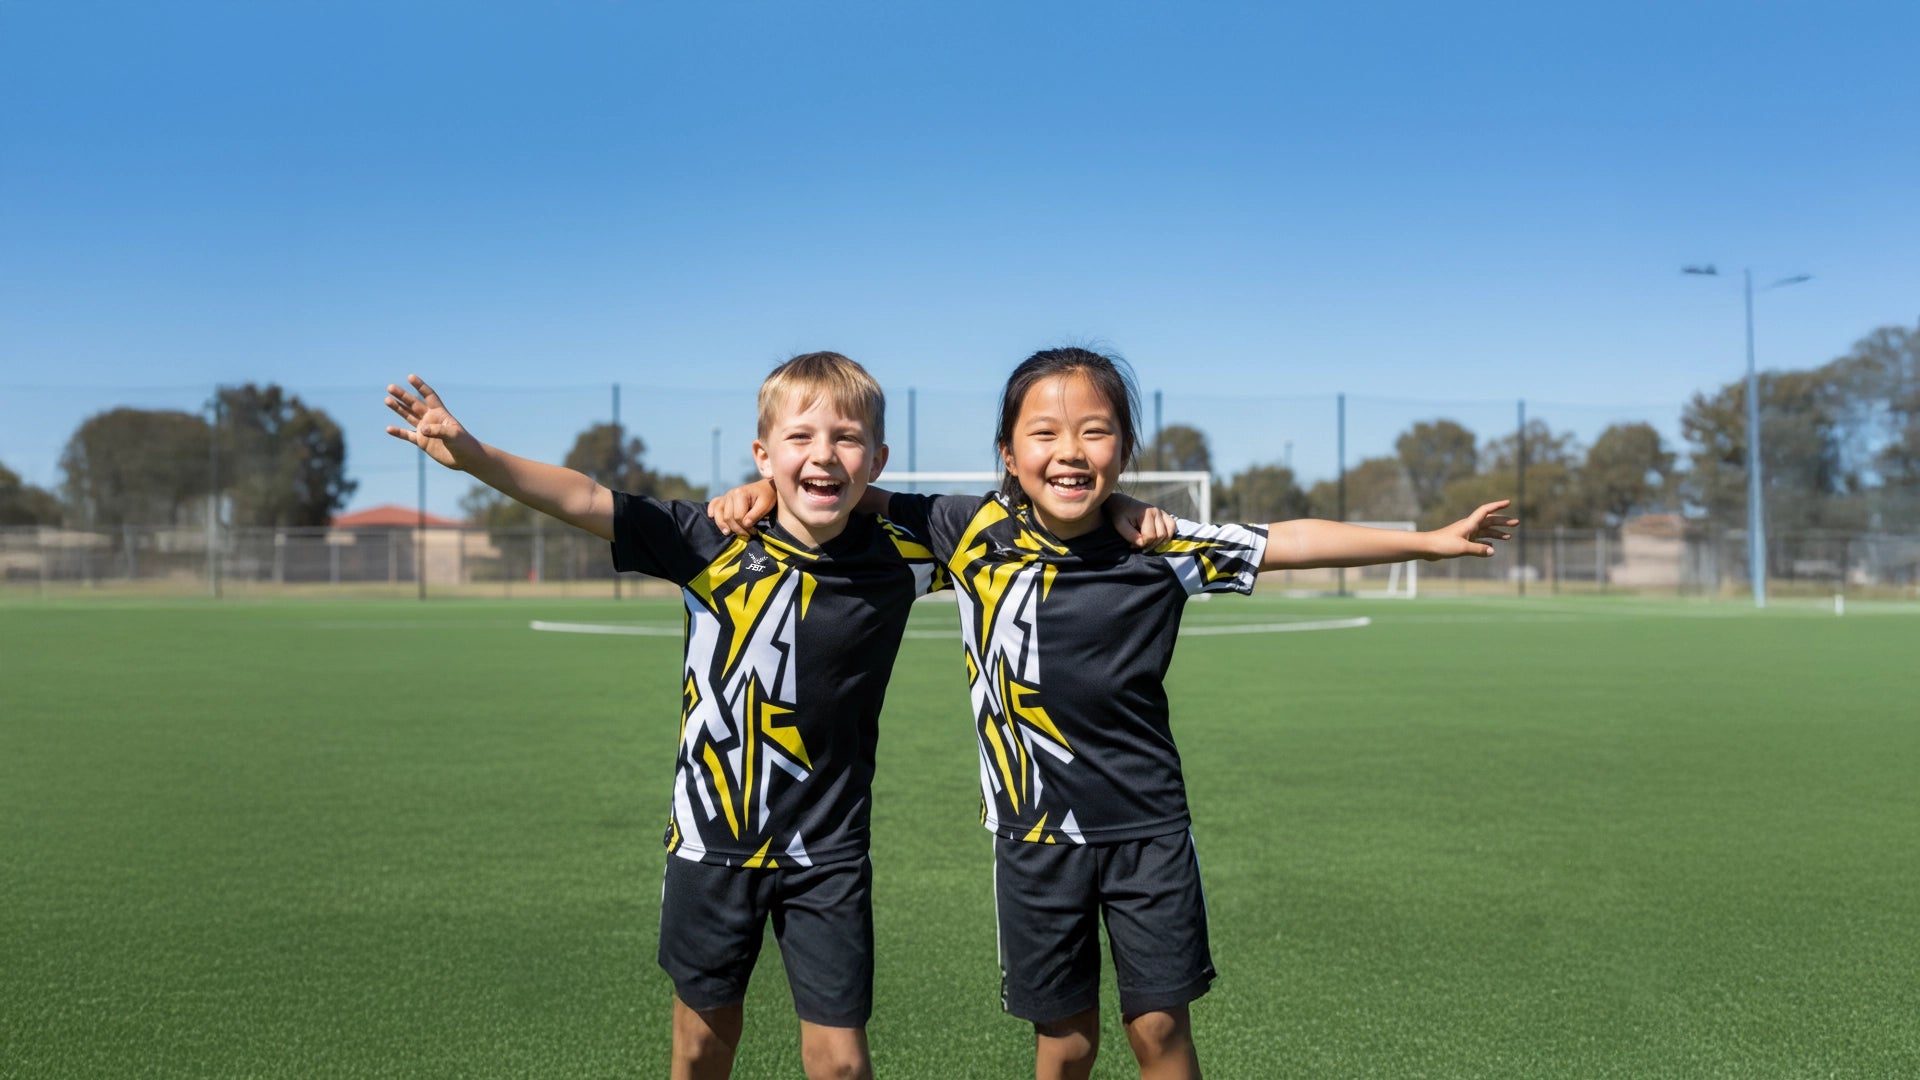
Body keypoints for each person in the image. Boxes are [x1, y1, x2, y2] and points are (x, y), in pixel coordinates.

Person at [709, 346, 1516, 1080]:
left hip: (1149, 831)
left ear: (1123, 452)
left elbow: (1285, 541)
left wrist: (1432, 541)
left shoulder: (1154, 548)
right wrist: (758, 486)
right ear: (1008, 454)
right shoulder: (970, 530)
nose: (1069, 451)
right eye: (1045, 433)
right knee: (1066, 1043)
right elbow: (848, 491)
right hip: (1035, 842)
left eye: (1095, 433)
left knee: (1160, 1028)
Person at [383, 354, 944, 1080]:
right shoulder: (707, 540)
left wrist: (1123, 513)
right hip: (712, 845)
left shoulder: (906, 556)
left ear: (878, 458)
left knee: (840, 1064)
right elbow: (587, 499)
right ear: (762, 453)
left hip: (828, 852)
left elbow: (1018, 531)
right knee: (702, 1048)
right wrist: (476, 457)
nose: (824, 455)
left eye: (846, 438)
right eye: (799, 438)